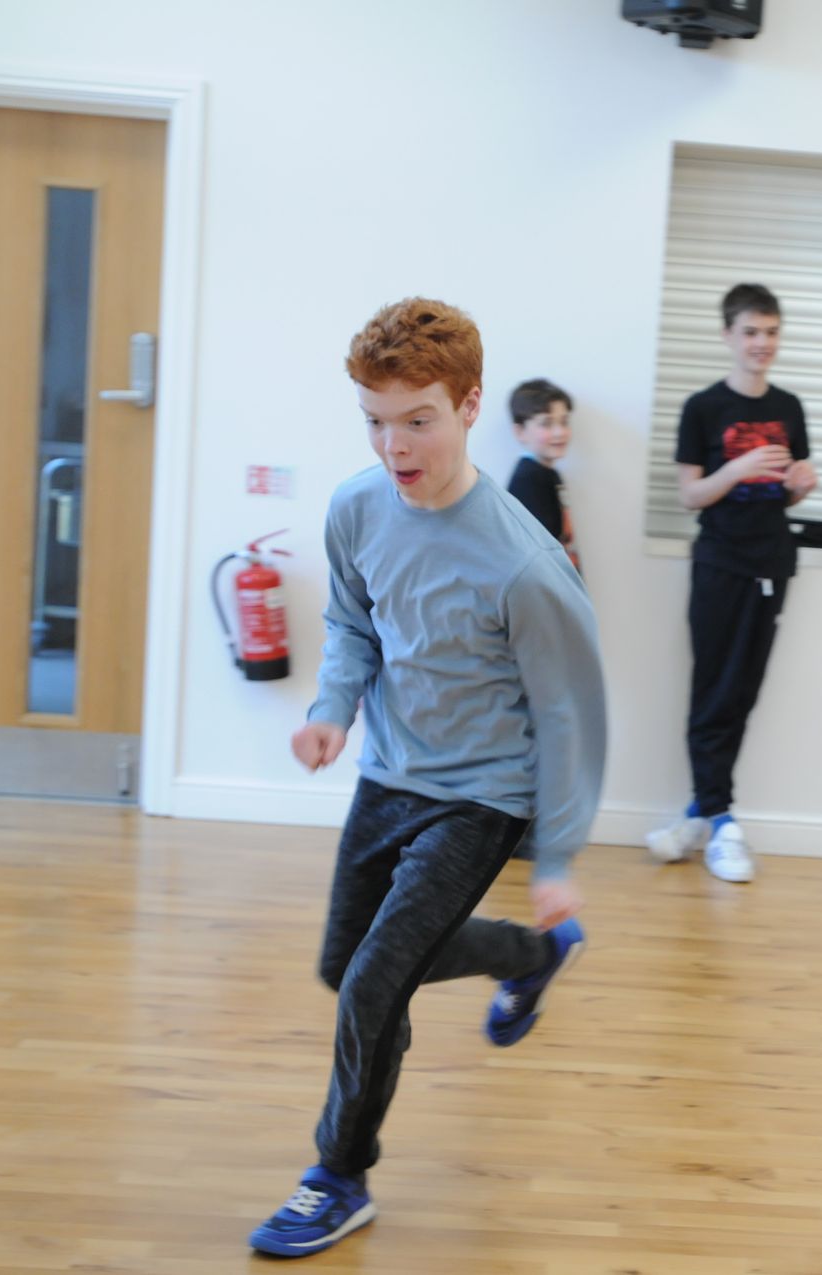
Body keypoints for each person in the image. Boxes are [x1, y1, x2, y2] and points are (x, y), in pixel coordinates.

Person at [249, 298, 606, 1259]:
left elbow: (572, 711)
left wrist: (557, 851)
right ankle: (533, 957)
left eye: (419, 419)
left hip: (483, 798)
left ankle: (338, 1174)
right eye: (375, 417)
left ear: (469, 405)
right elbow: (356, 623)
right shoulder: (357, 507)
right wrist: (332, 709)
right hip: (388, 776)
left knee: (372, 985)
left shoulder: (525, 562)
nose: (394, 442)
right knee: (345, 965)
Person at [645, 283, 818, 882]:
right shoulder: (702, 408)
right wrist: (740, 466)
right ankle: (722, 821)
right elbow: (691, 494)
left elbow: (788, 489)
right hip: (719, 562)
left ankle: (701, 814)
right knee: (711, 691)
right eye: (750, 332)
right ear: (727, 336)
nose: (761, 343)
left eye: (771, 332)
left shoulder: (791, 407)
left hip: (773, 562)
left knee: (741, 694)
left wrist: (801, 481)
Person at [505, 377, 580, 571]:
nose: (559, 432)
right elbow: (537, 555)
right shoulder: (528, 481)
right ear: (520, 431)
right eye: (546, 423)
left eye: (564, 422)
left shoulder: (548, 474)